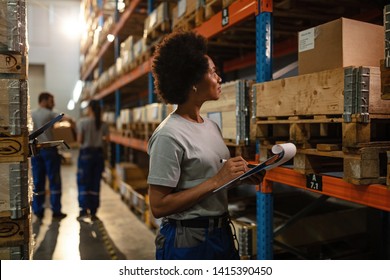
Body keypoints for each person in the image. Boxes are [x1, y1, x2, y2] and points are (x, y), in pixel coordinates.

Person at [147, 30, 262, 260]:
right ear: (193, 83)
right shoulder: (169, 134)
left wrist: (240, 175)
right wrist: (217, 180)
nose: (219, 78)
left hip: (221, 234)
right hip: (188, 241)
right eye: (212, 72)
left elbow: (209, 178)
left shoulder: (211, 127)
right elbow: (158, 206)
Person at [31, 92, 67, 220]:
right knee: (54, 180)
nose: (54, 104)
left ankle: (38, 210)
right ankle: (56, 210)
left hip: (35, 151)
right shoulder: (50, 113)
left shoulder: (31, 113)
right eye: (51, 101)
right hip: (49, 151)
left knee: (38, 181)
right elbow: (67, 119)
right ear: (44, 101)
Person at [76, 99, 109, 220]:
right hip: (98, 155)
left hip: (85, 154)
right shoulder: (103, 124)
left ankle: (84, 210)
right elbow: (107, 140)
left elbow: (80, 140)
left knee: (84, 182)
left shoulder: (83, 122)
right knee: (95, 182)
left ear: (89, 108)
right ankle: (94, 212)